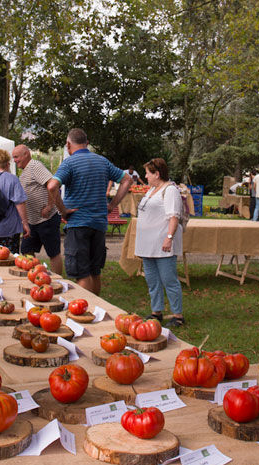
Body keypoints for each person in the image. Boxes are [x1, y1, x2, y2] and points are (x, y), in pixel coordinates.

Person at [47, 128, 131, 296]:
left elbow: (52, 186)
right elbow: (127, 180)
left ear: (68, 144)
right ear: (87, 143)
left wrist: (62, 210)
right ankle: (96, 309)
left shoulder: (69, 163)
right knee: (95, 271)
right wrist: (112, 205)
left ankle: (87, 312)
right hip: (99, 224)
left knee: (82, 274)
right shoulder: (102, 161)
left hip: (78, 224)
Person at [135, 158, 185, 328]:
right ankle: (156, 311)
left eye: (148, 173)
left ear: (157, 174)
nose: (145, 176)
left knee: (168, 279)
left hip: (162, 242)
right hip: (147, 244)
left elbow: (174, 216)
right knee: (152, 279)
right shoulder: (152, 190)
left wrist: (169, 237)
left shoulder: (170, 191)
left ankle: (178, 315)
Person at [12, 144, 62, 274]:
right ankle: (35, 275)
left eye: (16, 157)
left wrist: (49, 205)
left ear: (26, 154)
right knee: (26, 250)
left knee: (53, 253)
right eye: (13, 158)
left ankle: (58, 280)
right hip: (32, 222)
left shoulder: (35, 166)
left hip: (47, 219)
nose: (14, 160)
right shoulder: (24, 171)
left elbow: (52, 184)